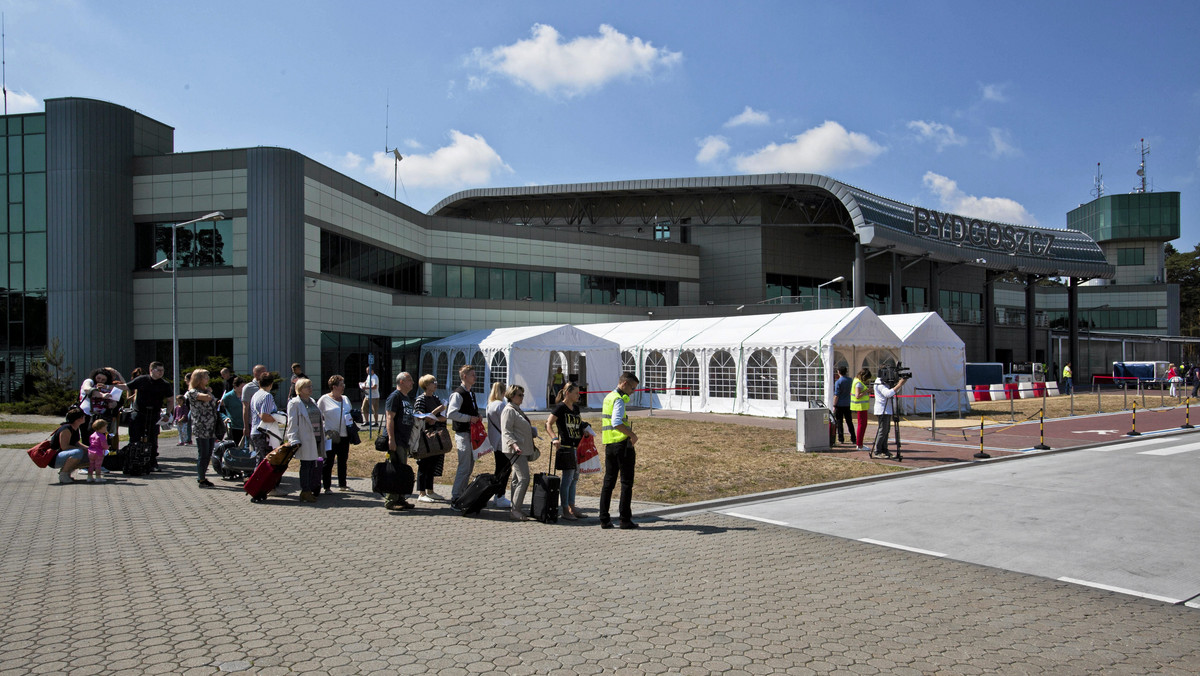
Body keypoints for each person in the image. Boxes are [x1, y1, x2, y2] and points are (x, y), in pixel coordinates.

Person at [599, 372, 641, 530]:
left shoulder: (608, 397)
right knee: (626, 483)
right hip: (622, 445)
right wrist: (632, 435)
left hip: (610, 444)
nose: (633, 391)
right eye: (632, 387)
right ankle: (625, 519)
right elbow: (617, 422)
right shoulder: (619, 400)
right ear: (624, 384)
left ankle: (604, 518)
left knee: (608, 483)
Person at [546, 382, 593, 520]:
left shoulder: (576, 408)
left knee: (574, 479)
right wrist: (554, 438)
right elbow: (548, 424)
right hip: (566, 448)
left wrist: (584, 430)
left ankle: (572, 507)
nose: (579, 395)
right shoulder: (560, 408)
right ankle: (565, 509)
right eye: (576, 393)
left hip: (577, 447)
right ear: (567, 393)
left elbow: (577, 424)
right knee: (567, 479)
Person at [446, 365, 482, 507]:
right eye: (473, 375)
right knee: (464, 466)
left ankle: (462, 493)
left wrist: (476, 415)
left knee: (470, 465)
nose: (475, 377)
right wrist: (469, 418)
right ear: (465, 376)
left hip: (471, 433)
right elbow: (451, 413)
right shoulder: (458, 394)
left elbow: (469, 410)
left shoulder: (471, 393)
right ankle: (456, 496)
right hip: (462, 434)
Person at [500, 385, 538, 521]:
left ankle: (515, 507)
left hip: (521, 449)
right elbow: (506, 431)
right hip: (515, 450)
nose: (522, 397)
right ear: (511, 396)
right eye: (520, 395)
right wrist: (514, 445)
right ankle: (515, 510)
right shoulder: (509, 410)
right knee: (524, 478)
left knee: (517, 479)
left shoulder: (517, 410)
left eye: (523, 394)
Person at [126, 362, 174, 467]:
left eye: (162, 370)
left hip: (154, 413)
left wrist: (167, 413)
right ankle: (133, 460)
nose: (161, 373)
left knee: (153, 438)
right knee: (135, 437)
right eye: (158, 370)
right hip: (139, 412)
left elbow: (170, 400)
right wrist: (108, 387)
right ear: (151, 370)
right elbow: (126, 387)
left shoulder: (165, 384)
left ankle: (152, 461)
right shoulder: (142, 380)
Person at [285, 377, 324, 503]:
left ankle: (310, 489)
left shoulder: (312, 401)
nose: (311, 389)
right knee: (306, 465)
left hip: (316, 437)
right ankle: (305, 491)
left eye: (311, 386)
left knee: (313, 464)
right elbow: (292, 422)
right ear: (300, 390)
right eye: (307, 387)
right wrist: (293, 438)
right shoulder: (294, 403)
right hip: (305, 438)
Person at [384, 372, 417, 510]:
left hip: (404, 440)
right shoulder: (395, 397)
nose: (413, 382)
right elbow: (389, 418)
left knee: (402, 470)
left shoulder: (406, 397)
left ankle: (401, 498)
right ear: (401, 382)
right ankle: (391, 500)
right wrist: (391, 439)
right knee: (395, 469)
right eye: (409, 380)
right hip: (396, 440)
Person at [413, 374, 448, 502]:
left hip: (436, 436)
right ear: (426, 385)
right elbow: (421, 418)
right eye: (433, 382)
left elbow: (444, 417)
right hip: (424, 437)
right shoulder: (420, 399)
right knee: (424, 464)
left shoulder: (436, 398)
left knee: (433, 462)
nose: (435, 384)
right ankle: (421, 493)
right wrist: (436, 411)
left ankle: (430, 490)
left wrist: (435, 418)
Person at [317, 375, 354, 492]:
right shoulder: (324, 399)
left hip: (345, 435)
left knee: (343, 461)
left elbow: (350, 413)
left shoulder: (346, 399)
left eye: (344, 384)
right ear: (334, 387)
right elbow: (318, 415)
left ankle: (342, 484)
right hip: (330, 436)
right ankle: (327, 486)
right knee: (329, 461)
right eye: (341, 385)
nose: (343, 387)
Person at [186, 369, 220, 488]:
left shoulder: (207, 391)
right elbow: (206, 398)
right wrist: (209, 392)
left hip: (211, 427)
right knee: (203, 453)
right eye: (205, 377)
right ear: (199, 379)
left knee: (209, 453)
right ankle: (201, 478)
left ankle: (203, 476)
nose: (208, 379)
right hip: (201, 427)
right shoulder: (193, 392)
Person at [485, 382, 513, 509]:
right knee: (505, 469)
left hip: (494, 439)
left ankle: (497, 494)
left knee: (499, 468)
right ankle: (500, 495)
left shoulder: (490, 405)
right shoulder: (501, 405)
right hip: (502, 440)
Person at [872, 370, 908, 459]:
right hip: (882, 410)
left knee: (886, 431)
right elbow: (888, 394)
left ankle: (884, 449)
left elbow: (892, 392)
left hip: (887, 410)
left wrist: (898, 384)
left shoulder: (884, 382)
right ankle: (877, 451)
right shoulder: (879, 383)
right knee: (882, 431)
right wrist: (899, 384)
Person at [50, 408, 89, 484]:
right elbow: (64, 446)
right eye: (83, 416)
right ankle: (63, 475)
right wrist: (81, 449)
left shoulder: (75, 427)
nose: (85, 417)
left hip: (65, 455)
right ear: (78, 419)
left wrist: (88, 448)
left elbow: (76, 443)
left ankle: (67, 473)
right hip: (54, 458)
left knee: (91, 453)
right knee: (78, 452)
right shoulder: (66, 429)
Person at [248, 373, 279, 464]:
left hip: (255, 431)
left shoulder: (255, 395)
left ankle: (256, 478)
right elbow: (265, 417)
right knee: (266, 462)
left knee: (260, 460)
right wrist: (279, 418)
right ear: (271, 384)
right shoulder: (267, 396)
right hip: (264, 433)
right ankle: (260, 478)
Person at [241, 364, 268, 442]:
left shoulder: (265, 387)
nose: (265, 374)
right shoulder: (249, 388)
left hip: (265, 424)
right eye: (263, 372)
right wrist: (246, 426)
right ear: (256, 373)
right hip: (253, 424)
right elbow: (245, 407)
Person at [850, 368, 872, 452]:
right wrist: (867, 391)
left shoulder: (856, 380)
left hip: (861, 406)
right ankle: (859, 444)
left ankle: (860, 444)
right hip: (860, 406)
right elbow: (857, 395)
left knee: (862, 425)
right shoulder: (858, 383)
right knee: (862, 426)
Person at [832, 366, 855, 446]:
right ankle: (853, 437)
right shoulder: (850, 380)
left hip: (840, 404)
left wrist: (834, 404)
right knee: (849, 421)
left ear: (839, 372)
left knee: (839, 422)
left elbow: (836, 395)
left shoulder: (838, 382)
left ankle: (841, 438)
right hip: (848, 403)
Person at [221, 377, 246, 446]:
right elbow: (219, 410)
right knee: (235, 446)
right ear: (235, 386)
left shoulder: (246, 395)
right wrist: (224, 417)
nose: (244, 389)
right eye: (242, 387)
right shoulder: (227, 397)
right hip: (234, 426)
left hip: (245, 425)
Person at [86, 418, 109, 483]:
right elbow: (104, 444)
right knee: (98, 466)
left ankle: (89, 477)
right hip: (98, 452)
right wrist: (107, 447)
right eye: (105, 427)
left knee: (91, 465)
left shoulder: (92, 435)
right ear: (101, 428)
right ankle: (98, 477)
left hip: (91, 452)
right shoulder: (102, 436)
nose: (106, 429)